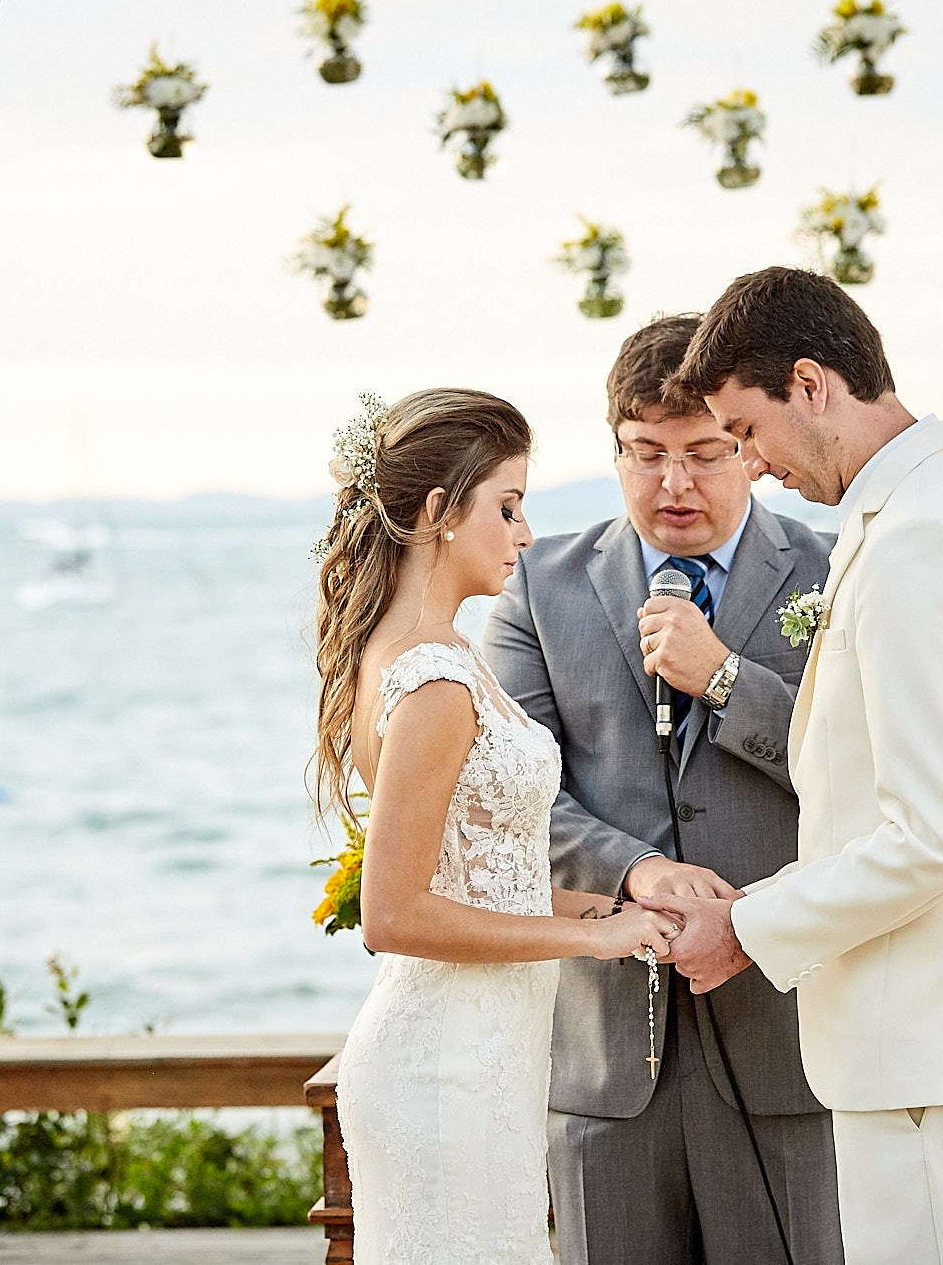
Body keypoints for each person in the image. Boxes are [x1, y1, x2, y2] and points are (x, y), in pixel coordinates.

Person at [650, 267, 943, 1265]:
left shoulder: (923, 539)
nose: (752, 464)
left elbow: (934, 834)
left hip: (938, 1054)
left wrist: (746, 925)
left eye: (744, 429)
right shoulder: (938, 506)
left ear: (810, 385)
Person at [484, 315, 845, 1265]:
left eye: (702, 454)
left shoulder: (835, 573)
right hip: (606, 1055)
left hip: (788, 1040)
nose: (673, 484)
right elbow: (513, 795)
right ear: (614, 452)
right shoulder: (538, 585)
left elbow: (862, 770)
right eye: (646, 455)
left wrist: (727, 677)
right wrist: (637, 870)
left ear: (749, 448)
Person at [310, 387, 679, 1265]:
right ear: (440, 513)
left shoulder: (434, 655)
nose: (523, 533)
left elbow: (475, 873)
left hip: (487, 1054)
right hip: (444, 1067)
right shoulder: (433, 681)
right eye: (507, 506)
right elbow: (393, 915)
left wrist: (610, 912)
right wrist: (589, 942)